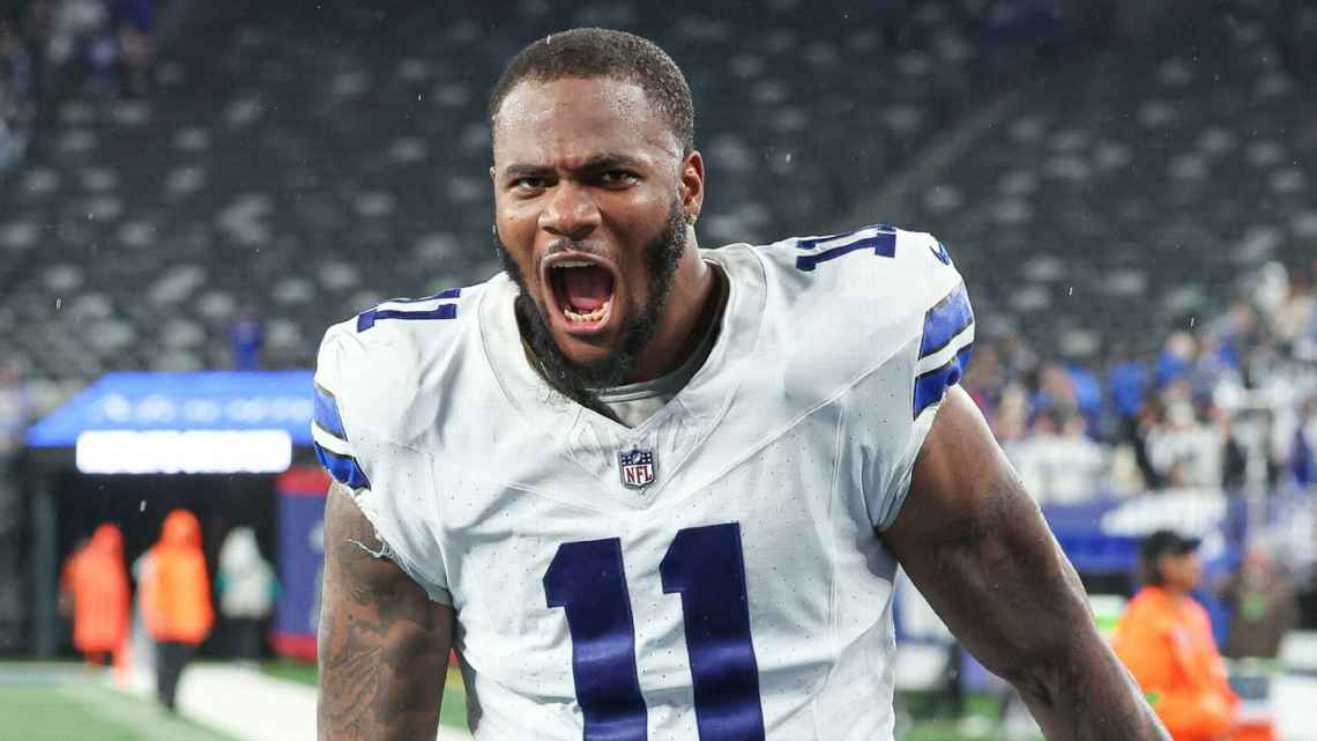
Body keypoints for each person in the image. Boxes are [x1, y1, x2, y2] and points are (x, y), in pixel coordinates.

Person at [313, 28, 1166, 739]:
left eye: (610, 175)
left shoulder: (845, 356)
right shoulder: (412, 403)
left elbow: (1056, 660)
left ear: (688, 186)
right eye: (530, 181)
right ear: (495, 201)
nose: (566, 212)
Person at [1113, 530, 1238, 741]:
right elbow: (1143, 700)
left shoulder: (1195, 613)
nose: (1196, 563)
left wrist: (1224, 710)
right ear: (1165, 564)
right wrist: (1207, 714)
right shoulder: (1145, 616)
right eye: (1186, 555)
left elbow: (1214, 681)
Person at [141, 509, 213, 712]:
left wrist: (204, 617)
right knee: (164, 663)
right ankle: (163, 694)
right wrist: (155, 615)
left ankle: (170, 696)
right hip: (166, 622)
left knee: (180, 663)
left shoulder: (194, 559)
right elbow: (153, 591)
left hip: (187, 624)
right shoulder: (160, 557)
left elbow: (200, 592)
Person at [60, 524, 130, 669]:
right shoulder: (95, 560)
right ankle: (97, 662)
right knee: (96, 637)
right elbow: (72, 580)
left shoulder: (109, 561)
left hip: (102, 610)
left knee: (106, 638)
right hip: (94, 609)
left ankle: (111, 663)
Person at [216, 526, 275, 662]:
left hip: (237, 604)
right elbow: (272, 587)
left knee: (241, 631)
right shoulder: (262, 567)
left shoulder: (230, 567)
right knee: (249, 631)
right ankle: (249, 656)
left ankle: (240, 656)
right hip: (252, 605)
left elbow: (221, 584)